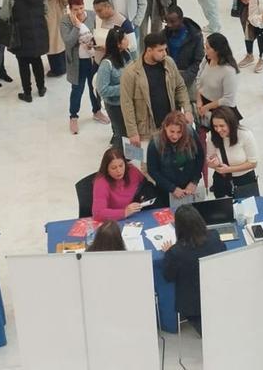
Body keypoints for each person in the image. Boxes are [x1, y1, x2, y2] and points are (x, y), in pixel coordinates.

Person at [162, 204, 226, 335]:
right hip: (217, 293)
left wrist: (168, 252)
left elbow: (168, 276)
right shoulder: (214, 236)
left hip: (192, 305)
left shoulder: (175, 252)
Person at [120, 31, 191, 146]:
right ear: (148, 50)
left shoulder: (169, 63)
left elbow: (180, 87)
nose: (164, 53)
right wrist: (132, 132)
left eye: (165, 49)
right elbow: (126, 104)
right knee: (145, 162)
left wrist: (187, 109)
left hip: (169, 127)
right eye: (160, 50)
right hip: (145, 130)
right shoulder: (131, 73)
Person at [62, 0, 106, 135]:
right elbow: (68, 42)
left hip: (93, 59)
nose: (79, 12)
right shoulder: (65, 21)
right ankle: (73, 116)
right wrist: (77, 26)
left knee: (95, 86)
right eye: (75, 9)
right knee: (77, 89)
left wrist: (93, 44)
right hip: (77, 62)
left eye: (81, 8)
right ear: (70, 9)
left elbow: (98, 34)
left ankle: (97, 110)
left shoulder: (92, 15)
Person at [148, 111, 205, 208]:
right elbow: (153, 170)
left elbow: (200, 156)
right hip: (166, 190)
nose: (175, 136)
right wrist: (172, 188)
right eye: (172, 131)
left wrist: (194, 181)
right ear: (165, 127)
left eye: (179, 132)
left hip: (189, 187)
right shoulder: (155, 142)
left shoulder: (190, 133)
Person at [11, 0, 50, 102]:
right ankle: (41, 88)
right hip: (38, 30)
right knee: (37, 60)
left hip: (20, 33)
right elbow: (46, 9)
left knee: (23, 64)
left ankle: (27, 93)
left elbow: (4, 14)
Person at [206, 106, 258, 198]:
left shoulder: (245, 134)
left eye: (222, 126)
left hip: (244, 180)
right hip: (221, 181)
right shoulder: (212, 136)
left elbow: (253, 163)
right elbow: (210, 158)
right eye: (215, 126)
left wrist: (229, 169)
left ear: (230, 123)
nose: (218, 130)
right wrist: (214, 164)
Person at [96, 28, 134, 145]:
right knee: (122, 134)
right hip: (115, 106)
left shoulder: (126, 54)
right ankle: (120, 157)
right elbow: (102, 89)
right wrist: (125, 88)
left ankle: (131, 158)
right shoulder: (106, 64)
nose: (128, 40)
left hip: (128, 102)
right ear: (118, 44)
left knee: (130, 132)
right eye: (125, 39)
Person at [91, 146, 150, 221]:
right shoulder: (101, 182)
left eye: (121, 166)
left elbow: (146, 186)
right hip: (113, 221)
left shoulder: (132, 171)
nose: (119, 171)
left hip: (136, 216)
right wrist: (124, 212)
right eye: (113, 168)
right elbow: (98, 213)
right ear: (106, 169)